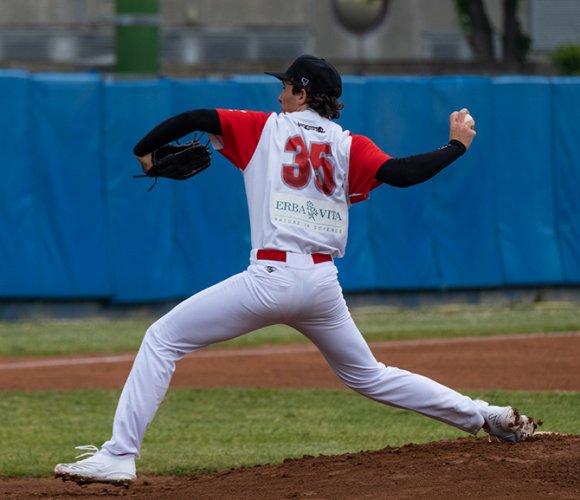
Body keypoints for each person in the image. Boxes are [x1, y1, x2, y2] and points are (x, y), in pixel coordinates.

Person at [54, 55, 537, 488]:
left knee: (162, 339)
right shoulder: (350, 145)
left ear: (303, 93)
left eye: (287, 86)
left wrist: (145, 150)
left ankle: (119, 455)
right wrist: (456, 146)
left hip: (269, 280)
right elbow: (404, 174)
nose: (279, 93)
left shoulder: (264, 128)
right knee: (370, 374)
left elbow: (192, 118)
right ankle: (485, 416)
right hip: (322, 286)